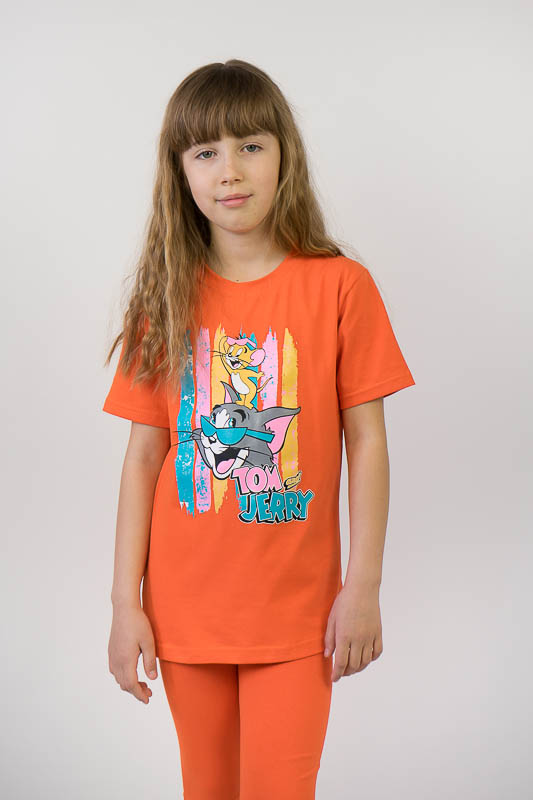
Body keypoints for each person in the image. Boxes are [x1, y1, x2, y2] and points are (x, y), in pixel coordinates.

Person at [102, 59, 415, 800]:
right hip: (185, 611)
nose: (230, 170)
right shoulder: (164, 299)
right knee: (206, 789)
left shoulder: (339, 286)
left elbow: (367, 441)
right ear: (180, 172)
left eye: (250, 145)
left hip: (299, 612)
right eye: (205, 152)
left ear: (284, 155)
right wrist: (124, 604)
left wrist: (363, 585)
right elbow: (144, 458)